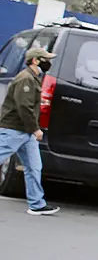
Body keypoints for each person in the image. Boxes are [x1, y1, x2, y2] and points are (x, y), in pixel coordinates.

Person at [0, 47, 60, 215]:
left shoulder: (33, 78)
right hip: (14, 130)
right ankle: (37, 203)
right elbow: (24, 107)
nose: (49, 63)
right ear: (35, 60)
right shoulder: (25, 79)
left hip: (25, 132)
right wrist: (35, 130)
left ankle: (36, 204)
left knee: (34, 167)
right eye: (45, 59)